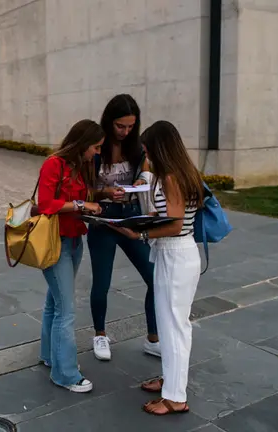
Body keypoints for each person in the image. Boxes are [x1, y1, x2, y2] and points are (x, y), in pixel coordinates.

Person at [113, 120, 203, 415]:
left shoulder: (173, 178)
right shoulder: (177, 175)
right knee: (169, 324)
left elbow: (176, 226)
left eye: (149, 150)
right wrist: (151, 217)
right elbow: (171, 217)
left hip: (176, 255)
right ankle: (171, 381)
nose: (147, 156)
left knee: (175, 326)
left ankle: (176, 397)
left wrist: (140, 233)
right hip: (175, 254)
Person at [86, 94, 159, 362]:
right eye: (120, 126)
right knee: (102, 282)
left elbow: (147, 169)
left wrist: (141, 179)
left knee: (154, 278)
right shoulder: (96, 146)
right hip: (103, 219)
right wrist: (105, 192)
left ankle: (153, 338)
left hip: (131, 216)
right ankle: (100, 333)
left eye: (130, 126)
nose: (125, 131)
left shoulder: (136, 147)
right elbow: (84, 190)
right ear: (109, 121)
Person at [37, 119, 104, 393]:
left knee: (55, 302)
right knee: (66, 310)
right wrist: (80, 204)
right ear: (83, 143)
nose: (97, 153)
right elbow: (45, 204)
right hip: (55, 243)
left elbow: (84, 197)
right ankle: (65, 374)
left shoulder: (80, 167)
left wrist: (101, 197)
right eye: (95, 147)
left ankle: (50, 356)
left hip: (75, 240)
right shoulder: (54, 164)